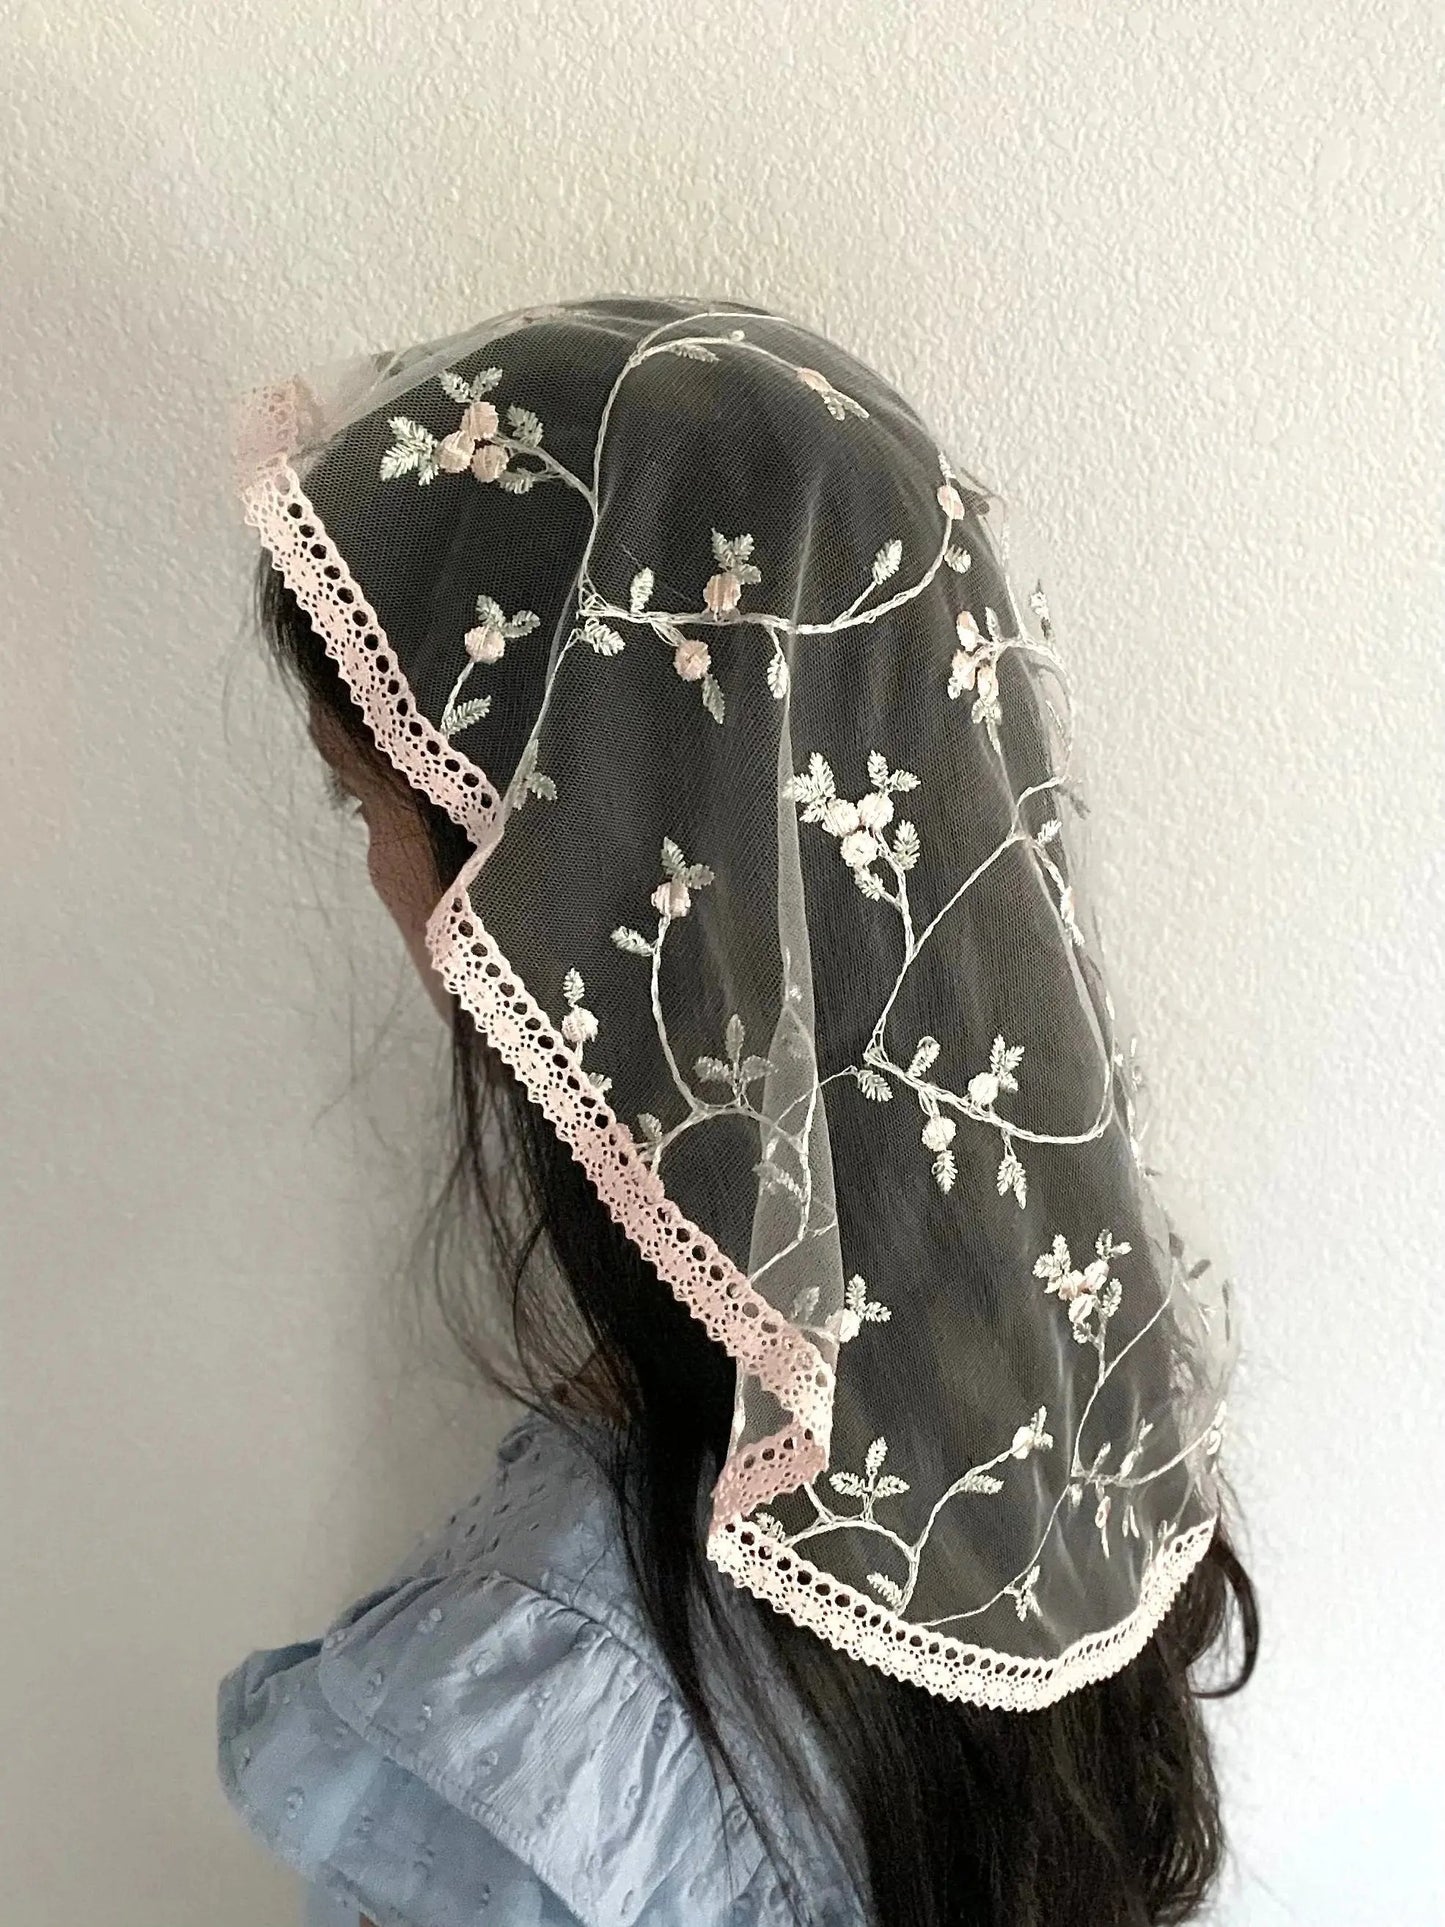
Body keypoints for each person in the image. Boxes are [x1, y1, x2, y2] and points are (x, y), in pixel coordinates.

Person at [218, 296, 1256, 1927]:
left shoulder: (529, 1716)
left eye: (369, 796)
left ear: (567, 875)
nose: (374, 872)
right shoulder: (1080, 1405)